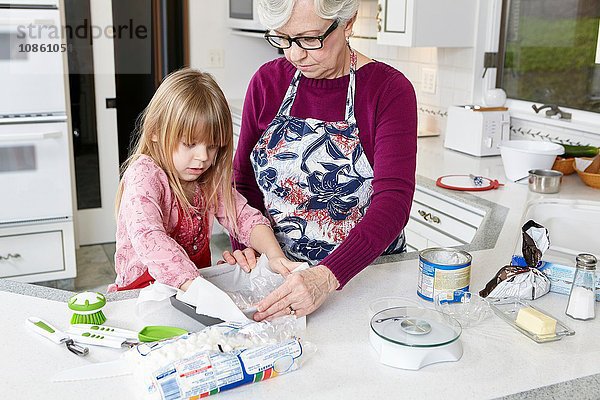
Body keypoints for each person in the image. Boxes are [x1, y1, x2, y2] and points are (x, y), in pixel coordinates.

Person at [226, 0, 417, 320]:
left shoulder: (388, 90)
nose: (295, 54)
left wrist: (326, 276)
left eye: (309, 39)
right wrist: (248, 244)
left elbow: (393, 202)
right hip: (281, 280)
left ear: (349, 22)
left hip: (365, 284)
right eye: (282, 39)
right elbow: (243, 180)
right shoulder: (267, 82)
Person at [108, 68, 299, 292]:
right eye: (190, 144)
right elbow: (150, 237)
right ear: (156, 132)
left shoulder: (206, 180)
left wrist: (274, 256)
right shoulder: (144, 175)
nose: (203, 157)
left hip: (190, 291)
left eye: (212, 146)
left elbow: (243, 218)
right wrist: (200, 292)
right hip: (141, 294)